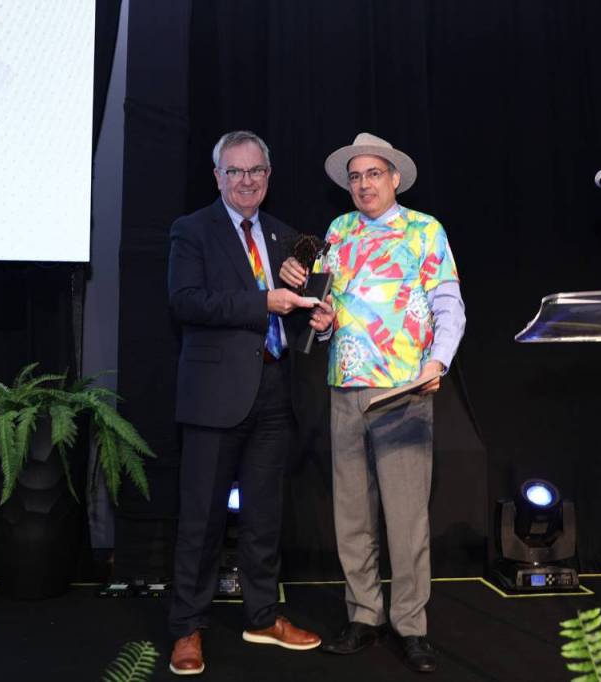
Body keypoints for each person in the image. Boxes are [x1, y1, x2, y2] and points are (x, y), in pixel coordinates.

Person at [280, 132, 465, 674]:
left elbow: (449, 305)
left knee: (406, 519)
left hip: (403, 389)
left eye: (373, 174)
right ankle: (364, 615)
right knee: (352, 514)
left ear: (395, 178)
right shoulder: (338, 231)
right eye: (356, 177)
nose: (363, 184)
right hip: (345, 385)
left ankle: (411, 626)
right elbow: (329, 308)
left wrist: (438, 361)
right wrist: (324, 319)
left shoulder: (425, 230)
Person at [166, 130, 328, 676]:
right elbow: (186, 302)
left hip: (275, 392)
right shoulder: (192, 230)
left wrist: (319, 320)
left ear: (268, 175)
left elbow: (294, 313)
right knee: (201, 521)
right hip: (213, 397)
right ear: (217, 177)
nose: (246, 180)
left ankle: (262, 616)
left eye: (255, 170)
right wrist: (263, 301)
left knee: (264, 517)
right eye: (234, 171)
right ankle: (187, 628)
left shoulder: (286, 237)